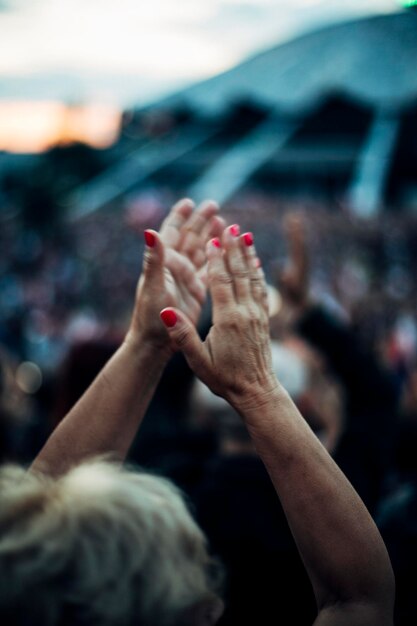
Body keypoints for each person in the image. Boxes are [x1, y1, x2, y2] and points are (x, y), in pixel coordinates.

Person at [0, 200, 394, 625]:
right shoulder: (348, 478)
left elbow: (36, 525)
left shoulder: (168, 472)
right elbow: (357, 598)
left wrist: (150, 341)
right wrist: (258, 387)